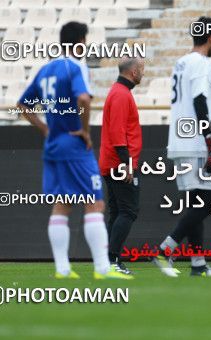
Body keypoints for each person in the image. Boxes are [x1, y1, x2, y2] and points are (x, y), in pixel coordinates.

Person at [17, 21, 132, 280]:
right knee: (95, 202)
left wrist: (45, 129)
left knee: (63, 204)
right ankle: (103, 268)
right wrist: (85, 131)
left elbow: (23, 105)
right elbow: (82, 98)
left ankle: (62, 269)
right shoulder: (76, 66)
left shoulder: (46, 69)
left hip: (53, 145)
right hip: (74, 145)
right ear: (80, 41)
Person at [153, 16, 211, 277]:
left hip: (178, 141)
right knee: (207, 202)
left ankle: (198, 264)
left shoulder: (181, 62)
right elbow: (199, 102)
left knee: (194, 204)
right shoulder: (202, 63)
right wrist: (209, 143)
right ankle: (166, 249)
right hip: (196, 143)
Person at [99, 57, 144, 275]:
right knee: (128, 211)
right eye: (142, 69)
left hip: (114, 162)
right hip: (119, 163)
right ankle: (112, 261)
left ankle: (108, 262)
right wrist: (127, 164)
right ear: (133, 72)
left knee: (118, 212)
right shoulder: (120, 94)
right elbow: (118, 133)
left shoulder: (119, 92)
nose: (143, 74)